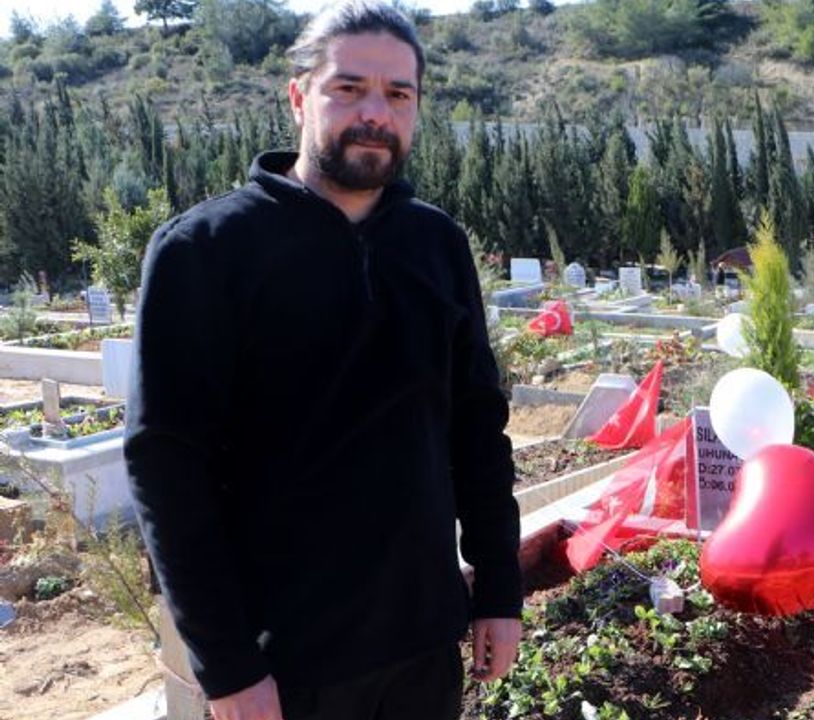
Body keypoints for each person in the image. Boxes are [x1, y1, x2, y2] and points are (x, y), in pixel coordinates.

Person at [124, 3, 521, 718]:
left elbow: (477, 427)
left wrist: (498, 590)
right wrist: (228, 667)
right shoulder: (206, 251)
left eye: (398, 94)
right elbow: (167, 466)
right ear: (299, 97)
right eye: (349, 88)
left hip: (423, 650)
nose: (375, 113)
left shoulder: (436, 244)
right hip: (285, 669)